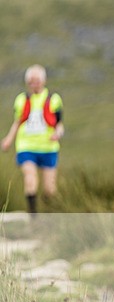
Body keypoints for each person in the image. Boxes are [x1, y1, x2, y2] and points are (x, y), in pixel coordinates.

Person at [1, 64, 65, 215]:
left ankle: (49, 215)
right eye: (31, 81)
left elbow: (59, 124)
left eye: (37, 80)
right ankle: (33, 216)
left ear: (44, 81)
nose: (34, 84)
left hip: (48, 147)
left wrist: (58, 134)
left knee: (50, 189)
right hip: (26, 146)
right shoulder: (21, 100)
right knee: (30, 179)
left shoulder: (53, 99)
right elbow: (17, 122)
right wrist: (9, 139)